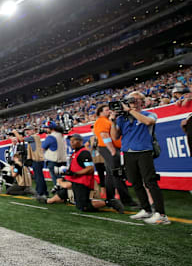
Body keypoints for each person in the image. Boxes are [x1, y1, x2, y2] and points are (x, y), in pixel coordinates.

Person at [111, 92, 170, 225]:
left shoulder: (148, 114)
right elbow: (114, 136)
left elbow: (149, 122)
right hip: (128, 152)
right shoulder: (122, 118)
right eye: (130, 100)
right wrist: (113, 121)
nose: (132, 102)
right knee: (135, 182)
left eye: (135, 100)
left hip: (144, 150)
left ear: (142, 102)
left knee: (150, 182)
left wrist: (131, 111)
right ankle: (146, 209)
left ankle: (161, 214)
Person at [39, 134, 124, 213]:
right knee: (63, 192)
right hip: (75, 180)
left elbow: (90, 168)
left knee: (84, 206)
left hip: (82, 182)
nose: (71, 143)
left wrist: (75, 173)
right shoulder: (76, 152)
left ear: (80, 141)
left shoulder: (84, 153)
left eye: (74, 141)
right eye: (71, 141)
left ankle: (110, 202)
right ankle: (48, 200)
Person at [93, 105, 136, 208]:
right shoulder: (102, 121)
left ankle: (110, 198)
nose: (109, 111)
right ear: (100, 112)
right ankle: (126, 200)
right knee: (117, 173)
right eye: (106, 110)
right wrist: (112, 149)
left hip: (107, 148)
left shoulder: (105, 121)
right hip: (108, 148)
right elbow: (104, 136)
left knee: (110, 174)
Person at [13, 128, 47, 199]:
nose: (27, 132)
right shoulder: (35, 137)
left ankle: (40, 193)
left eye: (29, 130)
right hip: (38, 160)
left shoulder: (33, 137)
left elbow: (21, 139)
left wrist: (15, 132)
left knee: (38, 178)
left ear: (33, 130)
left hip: (37, 160)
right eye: (26, 131)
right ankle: (44, 192)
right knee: (40, 177)